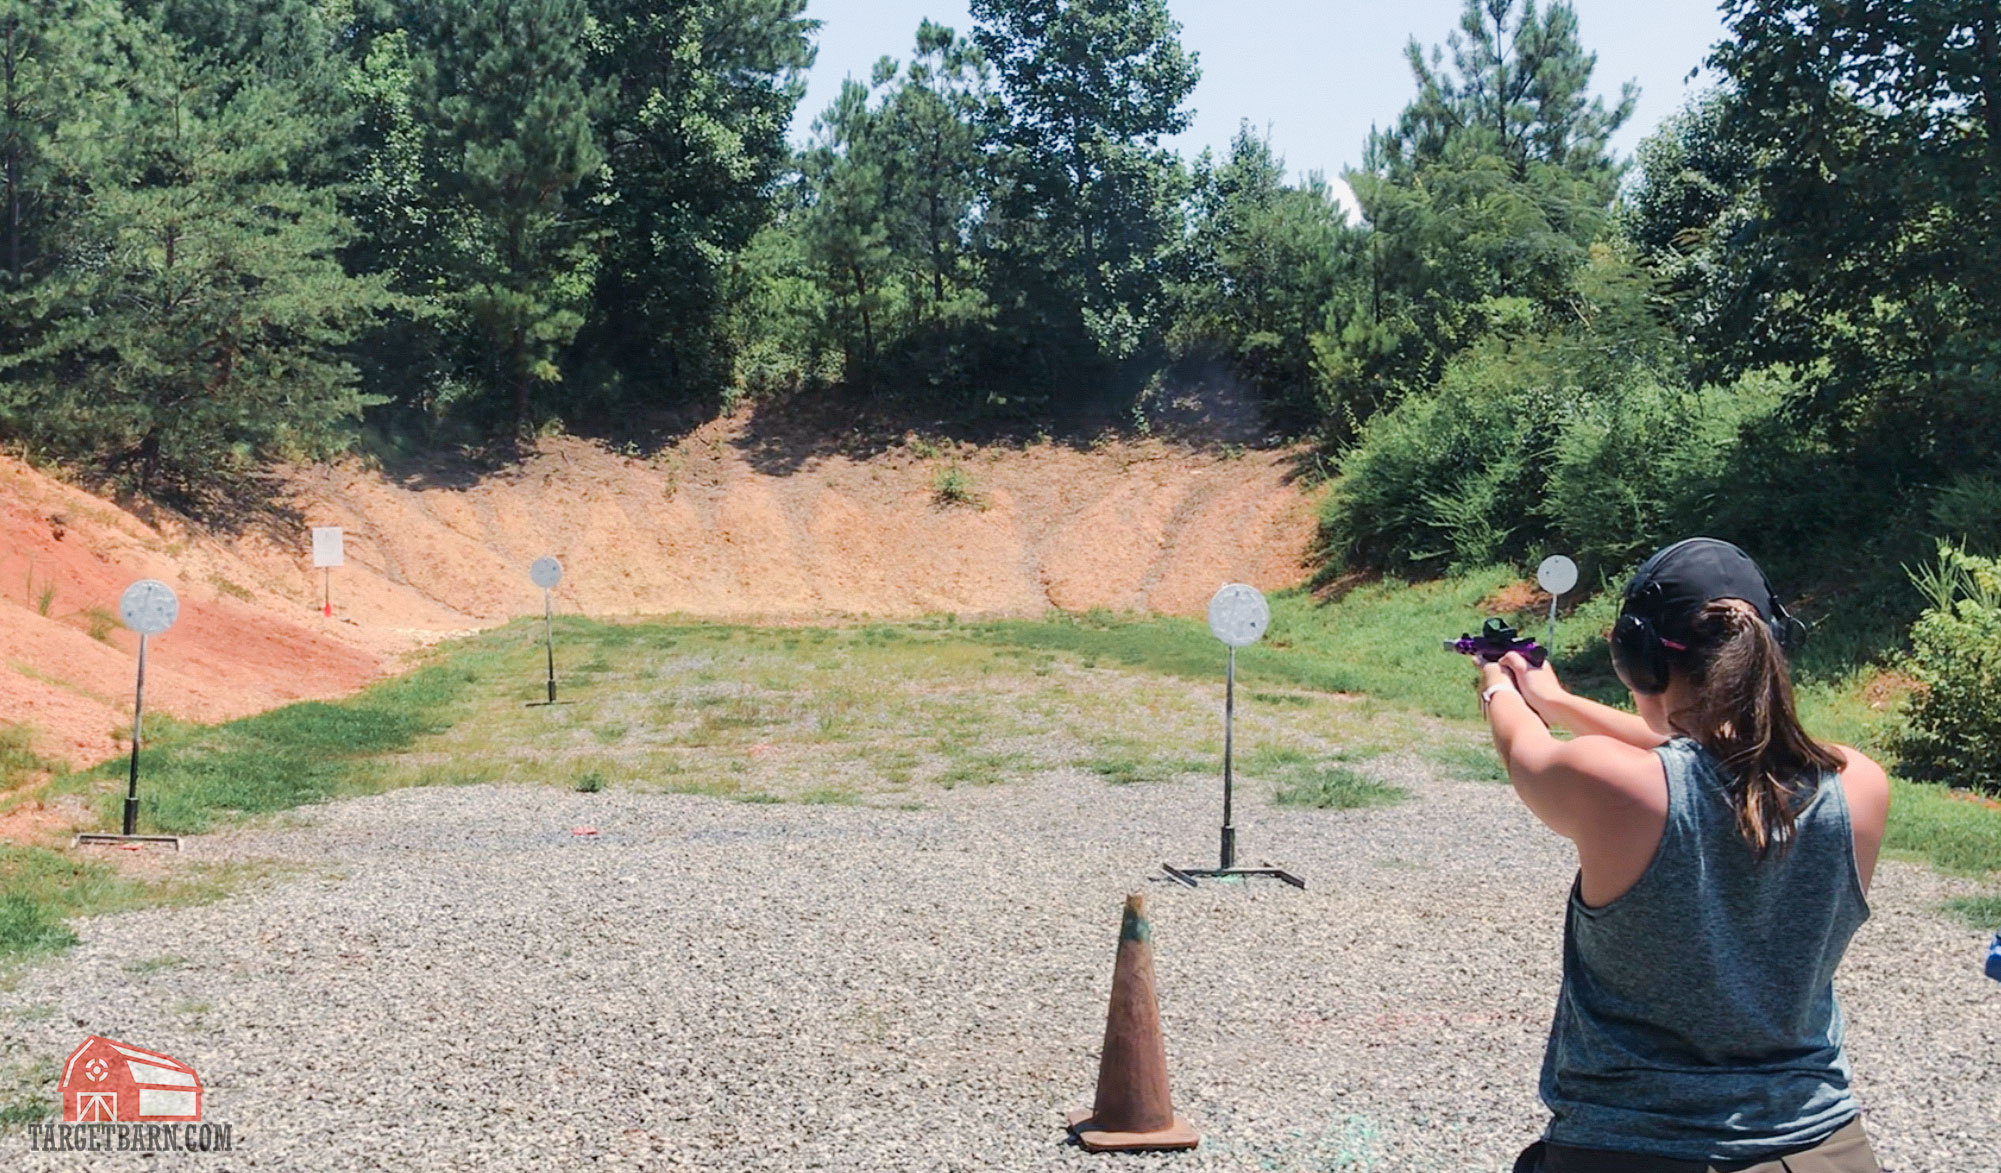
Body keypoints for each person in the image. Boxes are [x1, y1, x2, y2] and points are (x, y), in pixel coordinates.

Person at [1478, 538, 1890, 1173]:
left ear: (1637, 658)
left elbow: (1526, 751)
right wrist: (1556, 700)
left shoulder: (1619, 787)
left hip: (1632, 1150)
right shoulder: (1859, 784)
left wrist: (1498, 687)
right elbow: (1713, 747)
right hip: (1826, 1147)